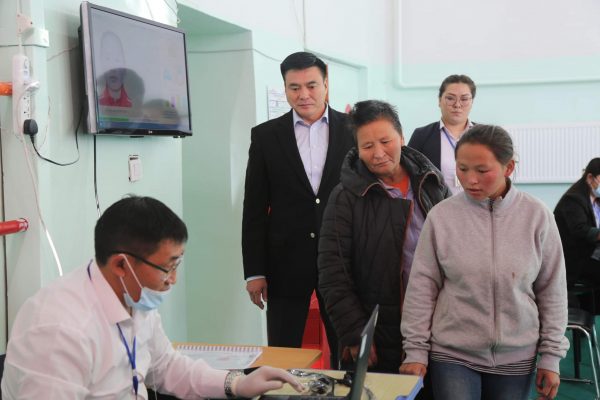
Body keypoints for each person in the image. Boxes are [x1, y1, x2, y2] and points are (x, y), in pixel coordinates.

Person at [1, 196, 304, 399]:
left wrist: (236, 383)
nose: (173, 280)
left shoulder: (134, 297)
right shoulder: (60, 330)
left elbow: (166, 366)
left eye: (177, 265)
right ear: (121, 265)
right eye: (167, 268)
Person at [400, 125, 569, 400]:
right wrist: (415, 350)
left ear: (508, 167)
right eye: (462, 168)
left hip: (517, 355)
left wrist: (551, 356)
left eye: (482, 170)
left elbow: (552, 290)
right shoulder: (442, 217)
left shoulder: (537, 216)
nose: (470, 180)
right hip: (452, 353)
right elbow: (422, 286)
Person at [318, 100, 449, 399]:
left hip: (437, 327)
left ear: (401, 136)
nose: (378, 153)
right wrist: (355, 333)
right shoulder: (345, 197)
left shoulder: (431, 182)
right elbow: (333, 272)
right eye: (367, 146)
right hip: (379, 333)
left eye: (386, 141)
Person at [242, 51, 354, 367]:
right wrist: (255, 271)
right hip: (285, 261)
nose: (303, 95)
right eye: (294, 87)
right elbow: (254, 208)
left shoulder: (353, 130)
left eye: (311, 85)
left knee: (347, 348)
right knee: (282, 350)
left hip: (343, 258)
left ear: (326, 84)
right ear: (285, 88)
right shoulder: (266, 136)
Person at [408, 74, 476, 195]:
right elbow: (409, 176)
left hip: (478, 204)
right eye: (450, 98)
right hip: (437, 205)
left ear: (472, 102)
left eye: (464, 99)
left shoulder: (486, 136)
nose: (457, 104)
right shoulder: (421, 135)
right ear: (439, 101)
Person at [554, 158, 600, 307]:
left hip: (592, 253)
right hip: (576, 260)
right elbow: (580, 230)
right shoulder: (573, 199)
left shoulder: (596, 198)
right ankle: (583, 306)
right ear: (590, 178)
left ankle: (587, 307)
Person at [98, 31, 132, 107]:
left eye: (117, 59)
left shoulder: (135, 106)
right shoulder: (96, 104)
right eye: (107, 58)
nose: (113, 68)